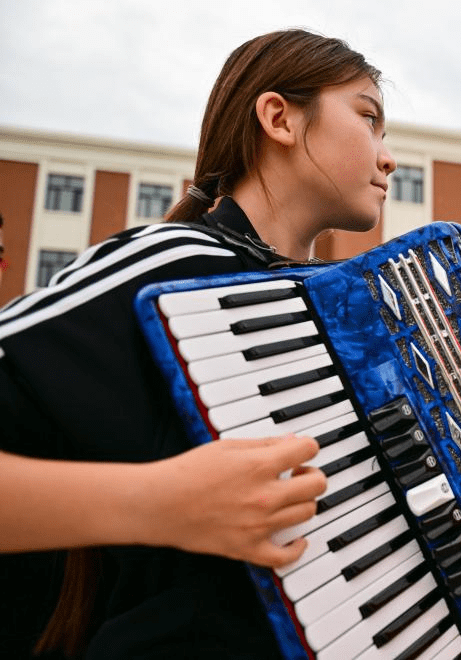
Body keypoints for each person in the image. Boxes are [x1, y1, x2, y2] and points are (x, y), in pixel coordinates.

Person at [0, 29, 395, 658]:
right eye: (369, 117)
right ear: (279, 118)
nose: (387, 157)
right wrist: (159, 502)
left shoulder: (347, 309)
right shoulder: (169, 265)